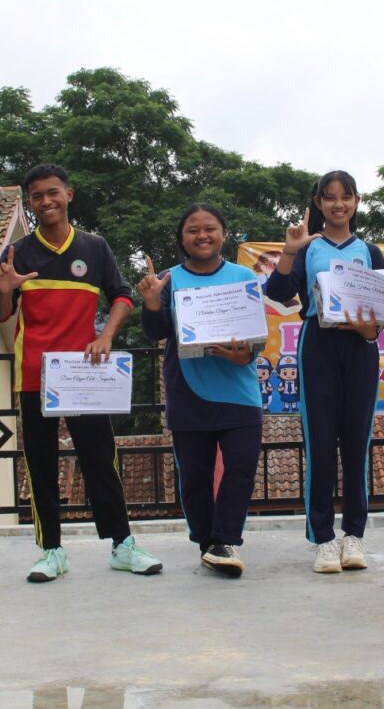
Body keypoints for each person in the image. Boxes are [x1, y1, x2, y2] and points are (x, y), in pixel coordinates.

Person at [0, 163, 162, 582]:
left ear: (69, 194)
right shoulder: (17, 254)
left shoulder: (94, 247)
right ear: (29, 204)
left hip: (85, 375)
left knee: (101, 460)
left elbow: (122, 295)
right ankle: (51, 550)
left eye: (52, 192)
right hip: (34, 374)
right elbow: (2, 314)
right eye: (36, 196)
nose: (45, 201)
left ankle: (122, 545)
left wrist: (106, 335)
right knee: (40, 464)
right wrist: (6, 290)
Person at [265, 171, 384, 574]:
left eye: (346, 197)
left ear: (356, 201)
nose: (338, 204)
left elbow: (382, 310)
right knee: (319, 443)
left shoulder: (369, 251)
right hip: (318, 343)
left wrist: (369, 330)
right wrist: (289, 250)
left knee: (357, 443)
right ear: (318, 203)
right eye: (330, 197)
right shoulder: (307, 248)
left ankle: (354, 535)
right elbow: (277, 293)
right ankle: (323, 539)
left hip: (361, 348)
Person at [139, 204, 264, 578]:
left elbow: (255, 338)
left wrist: (246, 355)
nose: (202, 235)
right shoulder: (167, 279)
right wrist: (151, 301)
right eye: (193, 230)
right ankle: (208, 542)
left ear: (223, 233)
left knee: (240, 469)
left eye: (210, 228)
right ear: (182, 238)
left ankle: (224, 540)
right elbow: (157, 332)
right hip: (188, 391)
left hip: (238, 390)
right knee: (194, 476)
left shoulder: (243, 276)